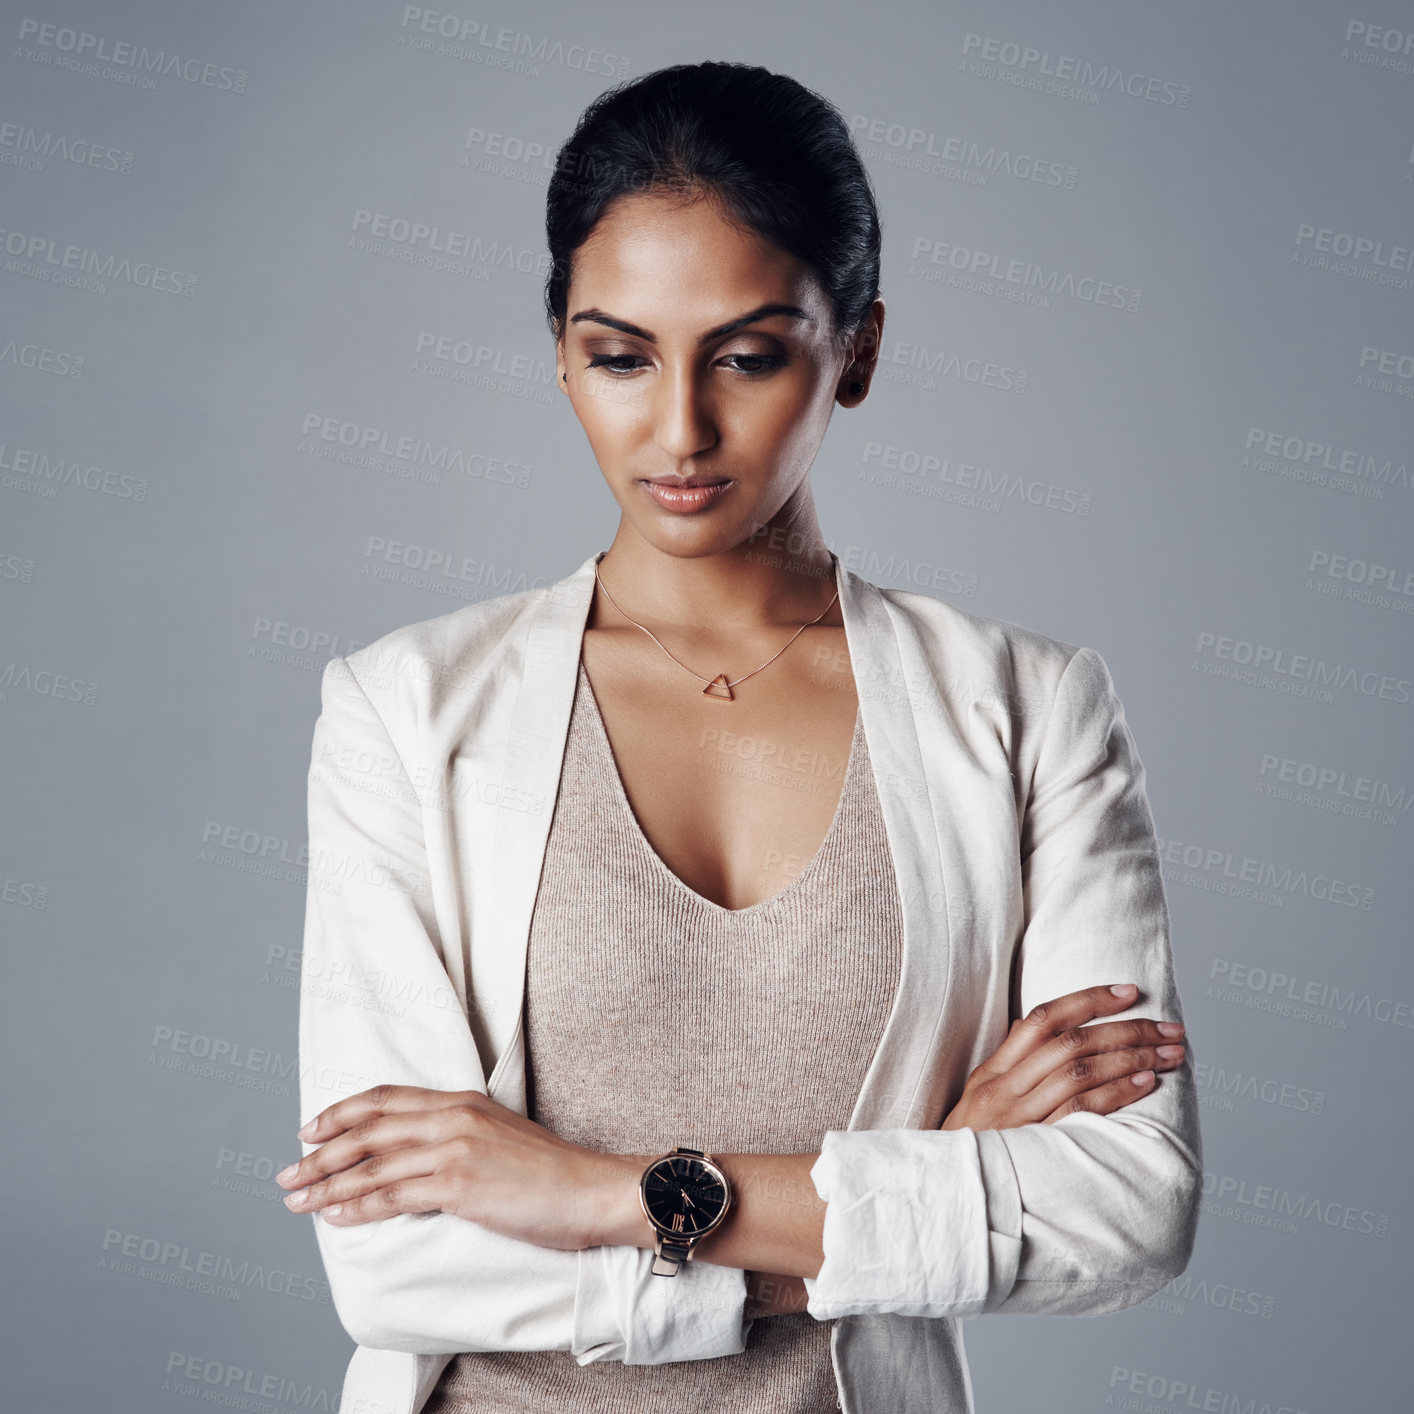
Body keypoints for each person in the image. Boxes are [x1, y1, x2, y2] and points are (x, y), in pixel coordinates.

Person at [278, 61, 1200, 1414]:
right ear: (559, 353)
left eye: (749, 355)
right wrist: (909, 1194)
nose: (680, 428)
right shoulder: (404, 710)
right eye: (619, 356)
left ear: (860, 350)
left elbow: (1127, 1207)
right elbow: (396, 1257)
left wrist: (598, 1196)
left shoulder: (1027, 707)